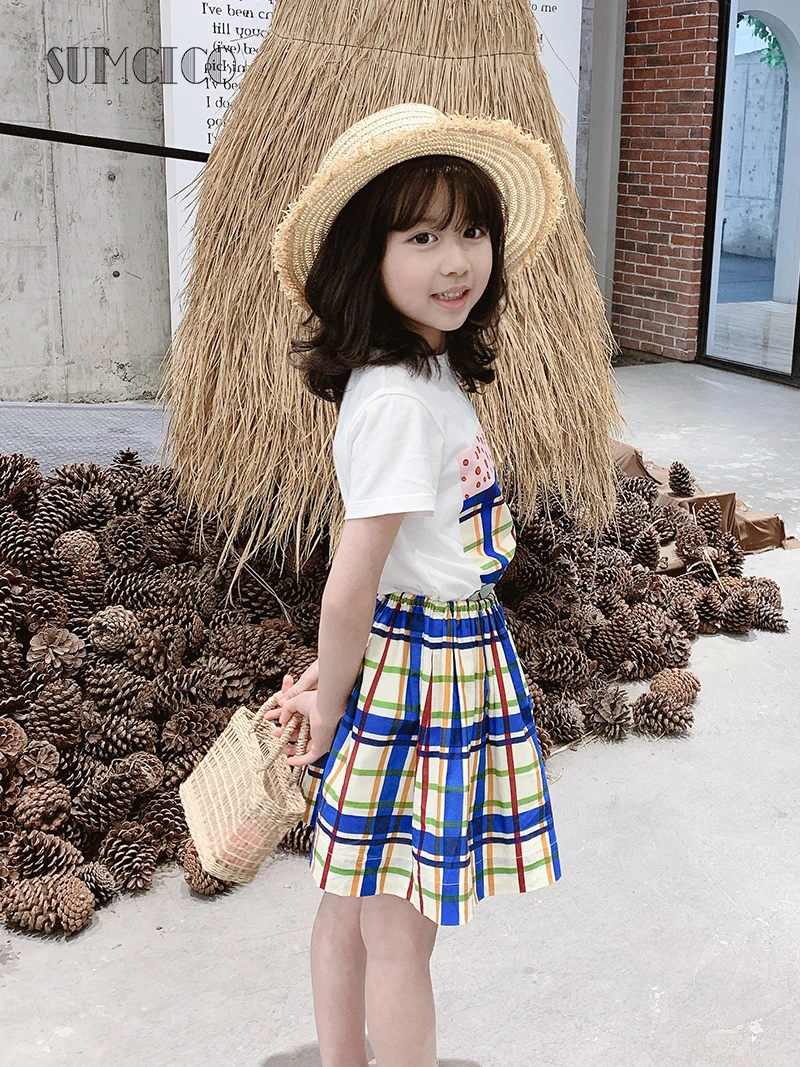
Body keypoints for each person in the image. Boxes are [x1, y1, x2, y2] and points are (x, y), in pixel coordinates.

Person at [262, 103, 564, 1067]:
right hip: (426, 670)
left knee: (352, 899)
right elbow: (349, 585)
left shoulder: (423, 372)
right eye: (422, 236)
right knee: (397, 927)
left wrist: (334, 679)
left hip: (421, 656)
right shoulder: (398, 398)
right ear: (368, 253)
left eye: (471, 231)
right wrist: (329, 698)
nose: (456, 260)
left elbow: (381, 579)